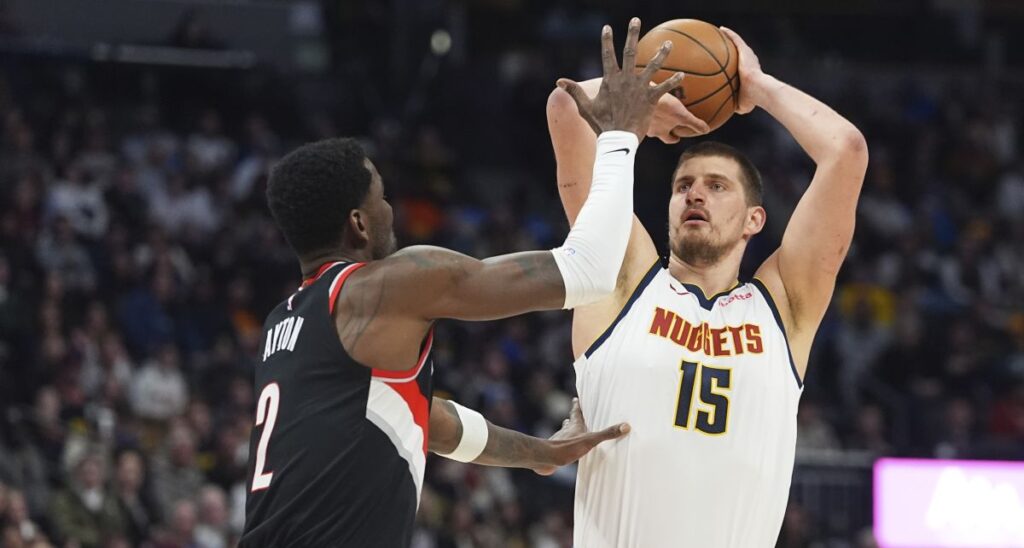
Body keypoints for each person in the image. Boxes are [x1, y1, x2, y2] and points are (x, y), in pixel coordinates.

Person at [240, 19, 685, 547]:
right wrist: (620, 137)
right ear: (358, 223)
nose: (389, 208)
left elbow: (423, 418)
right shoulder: (389, 284)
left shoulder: (286, 322)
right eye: (381, 196)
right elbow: (589, 270)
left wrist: (535, 453)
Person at [547, 24, 868, 547]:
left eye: (717, 186)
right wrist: (639, 109)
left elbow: (846, 151)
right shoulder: (622, 277)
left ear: (754, 220)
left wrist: (756, 86)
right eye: (683, 186)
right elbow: (566, 109)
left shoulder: (785, 305)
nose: (695, 194)